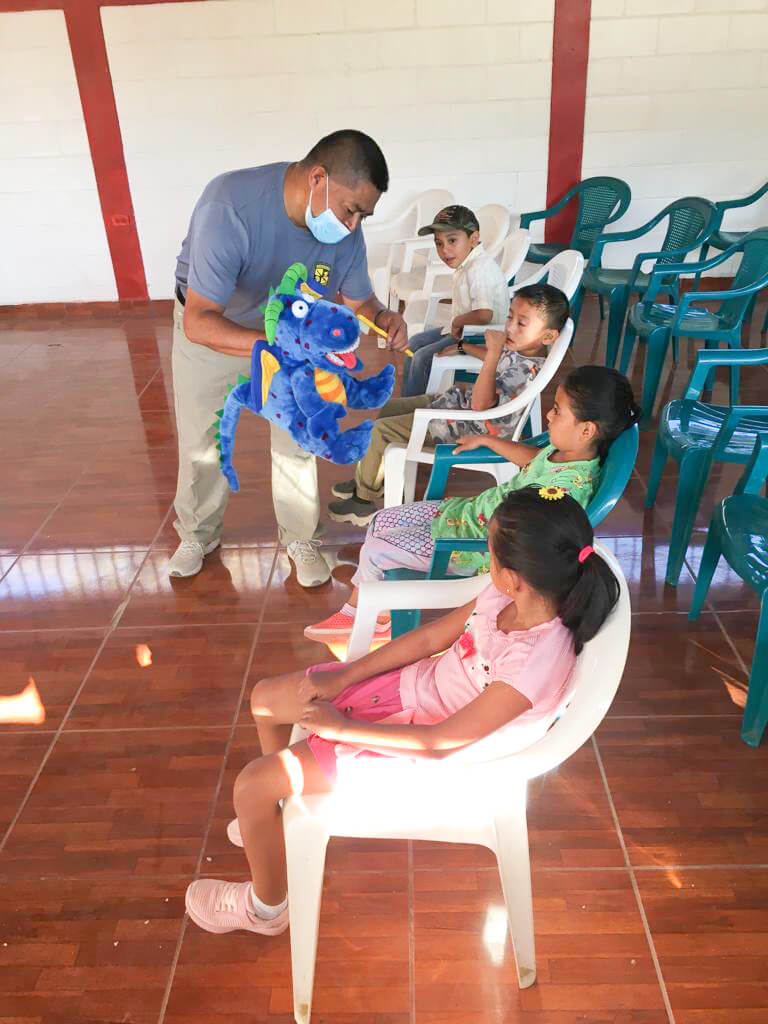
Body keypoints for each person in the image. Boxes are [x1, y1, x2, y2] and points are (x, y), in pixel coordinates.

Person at [183, 488, 620, 936]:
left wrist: (345, 729)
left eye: (489, 555)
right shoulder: (505, 597)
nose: (487, 566)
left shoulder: (534, 663)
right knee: (265, 699)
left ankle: (267, 908)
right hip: (408, 692)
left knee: (251, 786)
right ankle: (273, 822)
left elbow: (436, 743)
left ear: (514, 577)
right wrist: (346, 676)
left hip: (421, 749)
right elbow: (430, 640)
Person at [168, 130, 409, 586]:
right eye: (351, 209)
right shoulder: (230, 207)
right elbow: (201, 320)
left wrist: (383, 317)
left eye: (364, 214)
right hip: (218, 331)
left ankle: (301, 537)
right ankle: (198, 534)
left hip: (292, 340)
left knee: (299, 438)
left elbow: (361, 302)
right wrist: (270, 345)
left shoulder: (344, 235)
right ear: (317, 178)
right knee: (203, 438)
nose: (355, 224)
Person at [305, 365, 639, 641]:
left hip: (471, 547)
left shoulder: (566, 492)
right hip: (464, 515)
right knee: (382, 520)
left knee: (376, 549)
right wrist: (490, 441)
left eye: (557, 411)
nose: (549, 417)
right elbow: (534, 460)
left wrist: (478, 538)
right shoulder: (566, 455)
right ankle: (372, 607)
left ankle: (363, 616)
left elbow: (527, 543)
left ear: (586, 430)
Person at [327, 284, 568, 527]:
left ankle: (362, 502)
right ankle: (368, 478)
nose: (509, 327)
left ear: (548, 336)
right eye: (510, 317)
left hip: (470, 428)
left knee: (382, 430)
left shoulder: (526, 370)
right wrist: (466, 348)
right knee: (390, 409)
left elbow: (481, 406)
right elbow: (495, 360)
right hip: (458, 410)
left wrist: (494, 353)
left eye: (521, 323)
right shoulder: (525, 350)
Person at [401, 204, 510, 397]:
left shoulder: (479, 269)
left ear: (474, 239)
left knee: (422, 358)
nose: (445, 250)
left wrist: (457, 321)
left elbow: (484, 315)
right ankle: (408, 400)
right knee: (414, 343)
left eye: (452, 240)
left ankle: (414, 411)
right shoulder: (468, 264)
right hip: (465, 331)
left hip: (479, 337)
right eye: (439, 243)